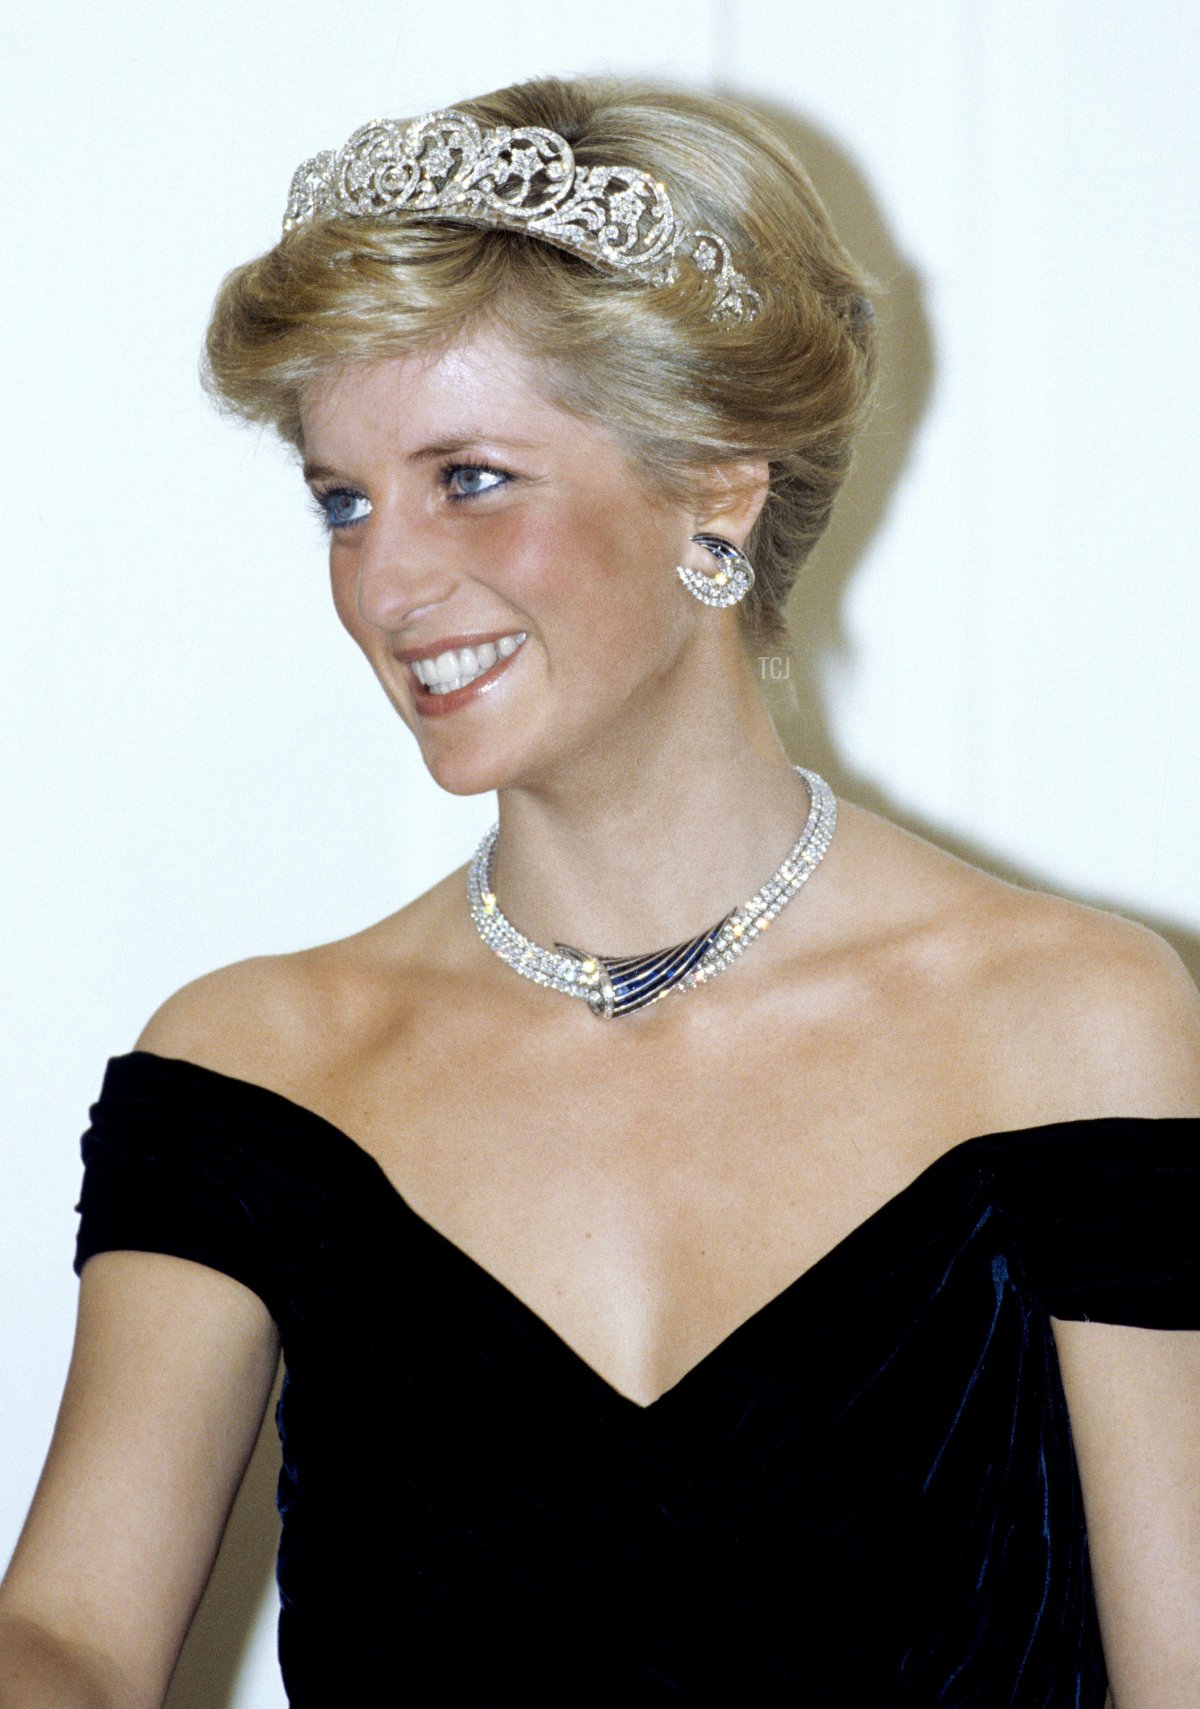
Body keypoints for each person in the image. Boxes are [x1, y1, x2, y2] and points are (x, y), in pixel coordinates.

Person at [1, 72, 1197, 1709]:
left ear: (717, 483)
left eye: (469, 475)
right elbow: (66, 1636)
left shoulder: (1072, 1020)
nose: (388, 581)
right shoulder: (252, 1065)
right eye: (342, 500)